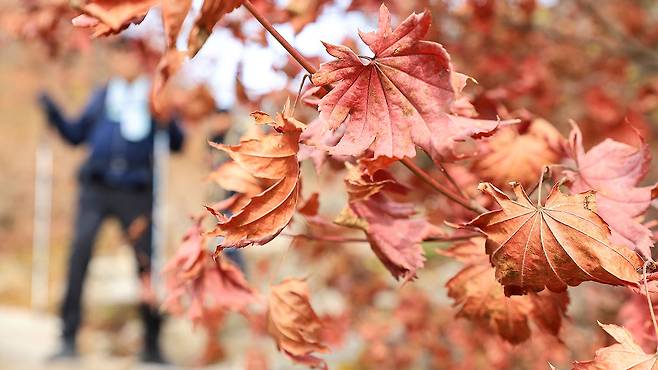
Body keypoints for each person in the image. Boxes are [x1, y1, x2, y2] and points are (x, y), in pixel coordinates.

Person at [37, 38, 184, 363]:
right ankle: (67, 337)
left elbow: (176, 142)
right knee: (79, 254)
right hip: (97, 189)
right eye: (117, 55)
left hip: (137, 191)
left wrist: (167, 113)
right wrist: (53, 111)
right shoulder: (104, 96)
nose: (123, 62)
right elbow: (76, 134)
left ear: (142, 59)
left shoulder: (153, 96)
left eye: (129, 54)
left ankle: (152, 343)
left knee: (147, 262)